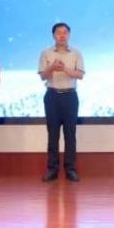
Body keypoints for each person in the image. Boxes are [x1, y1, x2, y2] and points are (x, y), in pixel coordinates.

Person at [39, 22, 84, 182]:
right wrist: (52, 67)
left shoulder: (76, 53)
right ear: (53, 35)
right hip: (52, 96)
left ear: (69, 35)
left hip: (70, 96)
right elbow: (43, 76)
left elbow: (80, 75)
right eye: (59, 32)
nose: (62, 35)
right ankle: (52, 169)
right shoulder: (46, 53)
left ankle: (70, 169)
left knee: (70, 134)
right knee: (53, 134)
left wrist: (64, 69)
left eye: (65, 32)